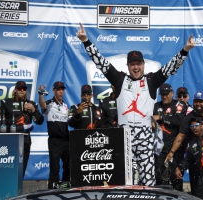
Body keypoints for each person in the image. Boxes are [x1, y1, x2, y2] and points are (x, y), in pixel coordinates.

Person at [77, 22, 195, 186]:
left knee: (148, 180)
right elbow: (101, 63)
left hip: (145, 134)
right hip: (124, 134)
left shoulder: (151, 81)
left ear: (143, 64)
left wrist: (185, 50)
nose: (136, 67)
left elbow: (170, 67)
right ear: (128, 66)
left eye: (138, 63)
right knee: (126, 179)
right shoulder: (119, 79)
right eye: (132, 64)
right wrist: (86, 41)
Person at [165, 91, 203, 195]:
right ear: (193, 102)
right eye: (196, 101)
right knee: (198, 194)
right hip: (195, 158)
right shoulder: (188, 118)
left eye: (201, 101)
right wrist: (171, 152)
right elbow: (180, 136)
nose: (198, 104)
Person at [0, 81, 44, 176]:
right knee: (8, 171)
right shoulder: (6, 103)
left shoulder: (31, 104)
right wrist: (20, 128)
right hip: (10, 141)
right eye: (19, 88)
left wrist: (33, 110)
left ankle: (18, 191)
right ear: (15, 90)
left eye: (24, 89)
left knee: (21, 171)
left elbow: (40, 121)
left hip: (25, 141)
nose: (22, 90)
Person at [153, 83, 187, 191]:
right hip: (159, 151)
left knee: (176, 182)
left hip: (175, 151)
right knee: (160, 182)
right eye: (162, 94)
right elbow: (149, 120)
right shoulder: (156, 106)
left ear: (172, 93)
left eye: (167, 94)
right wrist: (152, 121)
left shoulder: (179, 105)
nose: (164, 96)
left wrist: (160, 117)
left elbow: (179, 121)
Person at [38, 81, 70, 189]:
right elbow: (42, 106)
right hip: (55, 141)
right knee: (55, 169)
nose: (61, 92)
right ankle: (52, 191)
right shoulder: (50, 104)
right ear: (54, 91)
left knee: (68, 166)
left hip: (66, 141)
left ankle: (66, 188)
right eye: (58, 90)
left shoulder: (65, 105)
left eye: (62, 89)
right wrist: (41, 94)